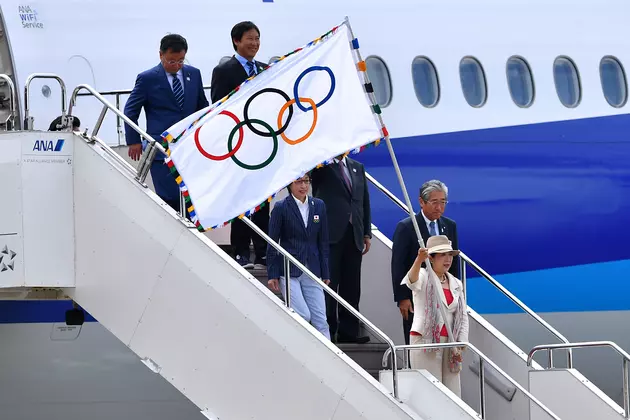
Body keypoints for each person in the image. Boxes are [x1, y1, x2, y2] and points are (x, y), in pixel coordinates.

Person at [124, 34, 209, 213]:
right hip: (161, 150)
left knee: (192, 200)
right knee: (169, 200)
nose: (176, 65)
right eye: (171, 61)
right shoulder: (147, 78)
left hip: (189, 147)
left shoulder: (194, 74)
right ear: (161, 54)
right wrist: (134, 141)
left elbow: (203, 106)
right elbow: (130, 110)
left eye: (180, 61)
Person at [210, 21, 268, 269]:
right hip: (239, 144)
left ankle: (264, 251)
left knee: (264, 199)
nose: (254, 43)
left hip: (265, 142)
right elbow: (217, 108)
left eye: (257, 39)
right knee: (242, 199)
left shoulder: (266, 69)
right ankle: (241, 251)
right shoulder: (224, 70)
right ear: (236, 41)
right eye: (249, 39)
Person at [311, 155, 371, 344]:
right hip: (330, 233)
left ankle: (349, 331)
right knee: (329, 283)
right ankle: (328, 329)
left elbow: (364, 202)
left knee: (352, 286)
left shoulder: (357, 167)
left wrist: (367, 233)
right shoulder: (321, 166)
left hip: (354, 234)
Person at [391, 179, 459, 345]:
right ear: (422, 202)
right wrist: (402, 298)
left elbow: (453, 262)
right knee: (417, 339)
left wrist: (457, 292)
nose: (439, 207)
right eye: (434, 202)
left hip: (443, 295)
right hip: (417, 295)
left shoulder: (449, 226)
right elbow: (398, 265)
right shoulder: (407, 227)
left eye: (443, 202)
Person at [401, 235, 469, 397]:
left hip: (451, 343)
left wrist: (461, 343)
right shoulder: (424, 275)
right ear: (431, 258)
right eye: (442, 255)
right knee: (429, 389)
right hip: (426, 340)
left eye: (449, 255)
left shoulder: (456, 283)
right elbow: (411, 280)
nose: (447, 259)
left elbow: (463, 316)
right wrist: (418, 260)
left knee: (452, 390)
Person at [267, 173, 331, 339]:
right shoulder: (281, 207)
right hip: (289, 269)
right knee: (303, 315)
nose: (303, 186)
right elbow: (272, 242)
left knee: (321, 320)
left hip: (312, 269)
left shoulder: (319, 205)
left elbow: (323, 242)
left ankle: (326, 361)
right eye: (299, 182)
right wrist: (272, 273)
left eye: (306, 181)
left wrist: (325, 272)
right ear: (290, 184)